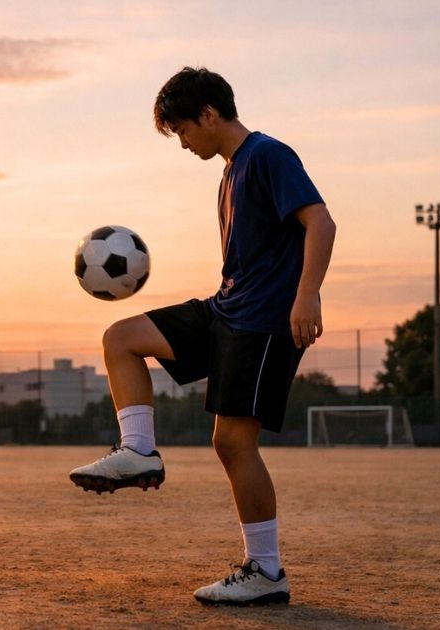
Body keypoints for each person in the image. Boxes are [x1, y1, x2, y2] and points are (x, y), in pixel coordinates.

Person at [68, 66, 336, 606]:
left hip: (261, 322)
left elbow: (321, 222)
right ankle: (139, 450)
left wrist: (307, 295)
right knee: (121, 338)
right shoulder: (230, 173)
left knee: (234, 444)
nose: (184, 143)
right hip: (226, 308)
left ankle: (265, 572)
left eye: (183, 130)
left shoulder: (266, 155)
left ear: (209, 114)